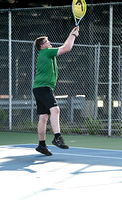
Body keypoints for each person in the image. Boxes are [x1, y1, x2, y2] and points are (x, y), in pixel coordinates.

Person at [33, 26, 79, 156]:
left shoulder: (46, 53)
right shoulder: (46, 52)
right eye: (47, 41)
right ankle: (57, 137)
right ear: (42, 46)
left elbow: (65, 45)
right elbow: (67, 48)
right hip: (43, 88)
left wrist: (71, 33)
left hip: (39, 88)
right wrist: (74, 35)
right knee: (55, 110)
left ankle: (41, 145)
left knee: (43, 117)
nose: (49, 42)